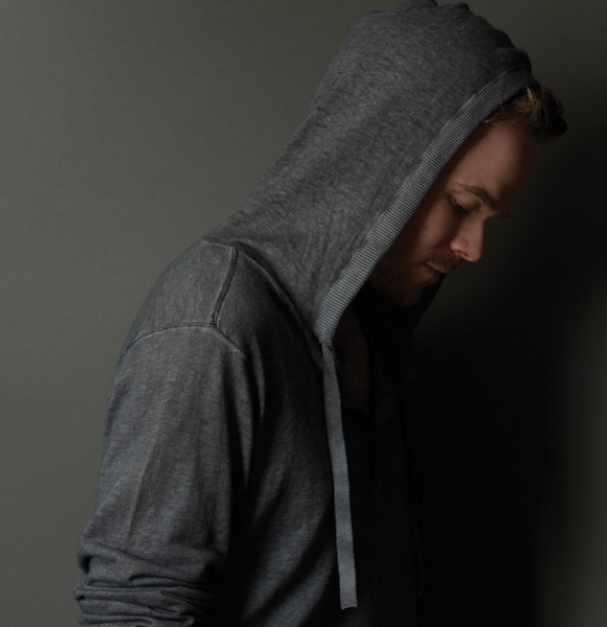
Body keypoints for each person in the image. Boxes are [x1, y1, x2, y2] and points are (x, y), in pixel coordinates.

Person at [74, 1, 566, 625]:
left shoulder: (369, 328)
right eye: (463, 205)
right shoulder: (213, 321)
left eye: (491, 220)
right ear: (382, 167)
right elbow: (133, 610)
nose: (473, 248)